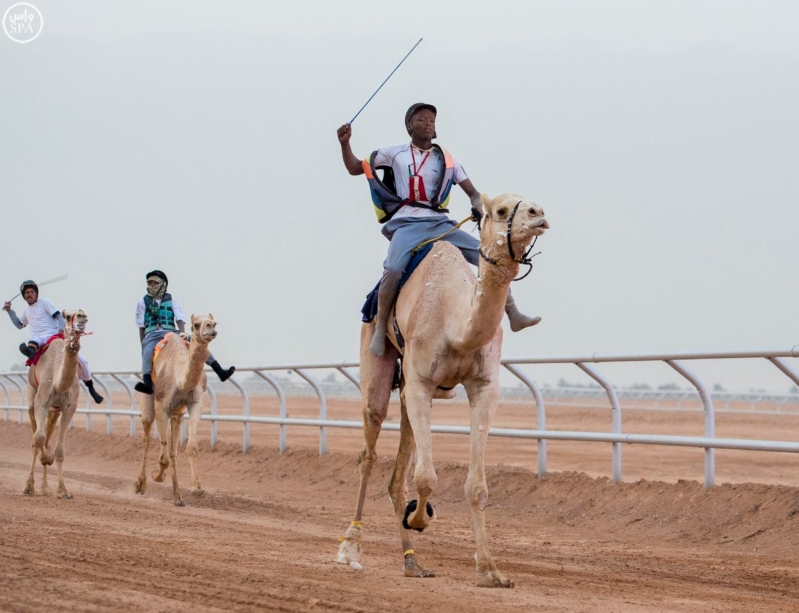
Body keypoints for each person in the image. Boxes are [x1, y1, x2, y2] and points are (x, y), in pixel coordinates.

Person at [337, 102, 540, 356]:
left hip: (440, 223)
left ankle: (513, 313)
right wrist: (345, 144)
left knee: (488, 255)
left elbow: (474, 193)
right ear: (409, 125)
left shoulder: (447, 159)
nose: (428, 123)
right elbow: (355, 168)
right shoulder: (393, 153)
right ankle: (380, 331)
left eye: (431, 119)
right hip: (407, 224)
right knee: (392, 268)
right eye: (421, 119)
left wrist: (478, 206)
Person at [134, 270, 235, 395]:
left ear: (162, 284)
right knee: (148, 352)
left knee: (196, 342)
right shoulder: (143, 302)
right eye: (149, 283)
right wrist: (143, 343)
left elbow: (180, 318)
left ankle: (219, 371)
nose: (152, 285)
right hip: (152, 334)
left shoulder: (172, 301)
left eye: (155, 282)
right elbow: (141, 326)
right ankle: (147, 383)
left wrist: (182, 332)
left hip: (171, 332)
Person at [3, 279, 104, 404]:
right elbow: (19, 325)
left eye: (31, 292)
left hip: (53, 335)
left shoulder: (45, 303)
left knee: (80, 360)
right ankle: (31, 353)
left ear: (36, 293)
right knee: (33, 341)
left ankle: (91, 387)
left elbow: (58, 316)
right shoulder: (26, 311)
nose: (29, 294)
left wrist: (61, 329)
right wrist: (9, 312)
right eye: (27, 293)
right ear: (24, 296)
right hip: (38, 338)